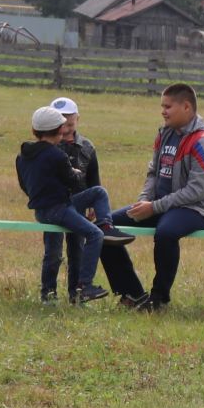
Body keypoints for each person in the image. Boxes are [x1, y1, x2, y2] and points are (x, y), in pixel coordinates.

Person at [106, 83, 204, 313]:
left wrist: (154, 207)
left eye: (168, 107)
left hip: (195, 209)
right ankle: (132, 294)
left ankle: (159, 299)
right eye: (162, 106)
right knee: (105, 225)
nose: (163, 111)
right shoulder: (164, 134)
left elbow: (196, 191)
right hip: (159, 205)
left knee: (166, 233)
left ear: (186, 107)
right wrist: (143, 201)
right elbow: (153, 173)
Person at [16, 105, 132, 305]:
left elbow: (24, 185)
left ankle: (49, 296)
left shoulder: (22, 156)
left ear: (35, 131)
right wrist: (76, 172)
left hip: (43, 209)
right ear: (59, 130)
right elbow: (74, 182)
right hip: (58, 208)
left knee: (53, 252)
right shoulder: (56, 155)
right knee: (95, 235)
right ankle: (84, 286)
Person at [45, 97, 145, 306]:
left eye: (70, 121)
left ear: (77, 119)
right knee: (53, 252)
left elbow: (94, 178)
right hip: (55, 205)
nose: (65, 126)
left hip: (79, 205)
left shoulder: (87, 147)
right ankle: (48, 294)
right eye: (61, 122)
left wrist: (94, 207)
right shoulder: (49, 147)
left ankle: (76, 296)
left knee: (77, 252)